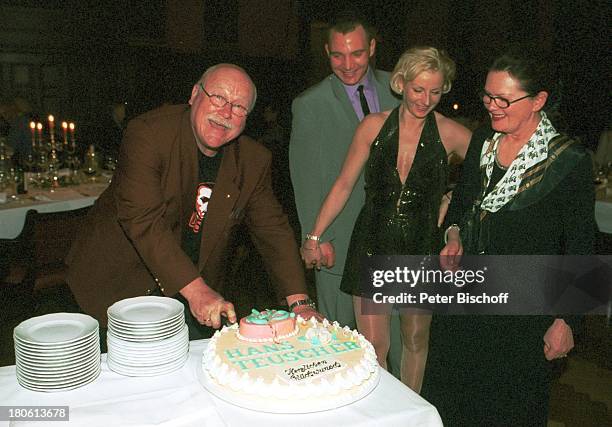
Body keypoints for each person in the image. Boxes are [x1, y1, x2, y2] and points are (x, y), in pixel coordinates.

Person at [66, 64, 321, 341]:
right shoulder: (148, 134)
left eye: (238, 107)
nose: (225, 113)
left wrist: (301, 303)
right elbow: (142, 220)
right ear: (194, 95)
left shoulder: (253, 160)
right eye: (218, 98)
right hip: (118, 282)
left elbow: (273, 230)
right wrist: (197, 291)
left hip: (195, 292)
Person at [424, 48, 596, 425]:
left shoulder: (568, 161)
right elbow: (461, 204)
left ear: (539, 100)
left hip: (522, 318)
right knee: (449, 403)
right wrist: (453, 235)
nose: (492, 107)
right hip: (463, 303)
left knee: (508, 410)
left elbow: (583, 246)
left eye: (504, 99)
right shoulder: (484, 143)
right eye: (488, 96)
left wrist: (567, 319)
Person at [301, 46, 471, 393]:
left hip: (421, 247)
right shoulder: (372, 127)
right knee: (375, 348)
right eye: (418, 89)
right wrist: (314, 235)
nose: (425, 99)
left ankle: (410, 411)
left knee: (415, 338)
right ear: (401, 83)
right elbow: (344, 183)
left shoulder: (452, 133)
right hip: (373, 243)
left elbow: (484, 178)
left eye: (435, 91)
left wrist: (452, 206)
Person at [289, 10, 399, 331]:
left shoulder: (401, 90)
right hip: (340, 243)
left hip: (395, 244)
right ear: (327, 53)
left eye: (357, 53)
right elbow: (305, 181)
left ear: (373, 48)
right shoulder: (310, 104)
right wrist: (316, 237)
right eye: (338, 55)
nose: (348, 64)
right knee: (340, 345)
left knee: (398, 347)